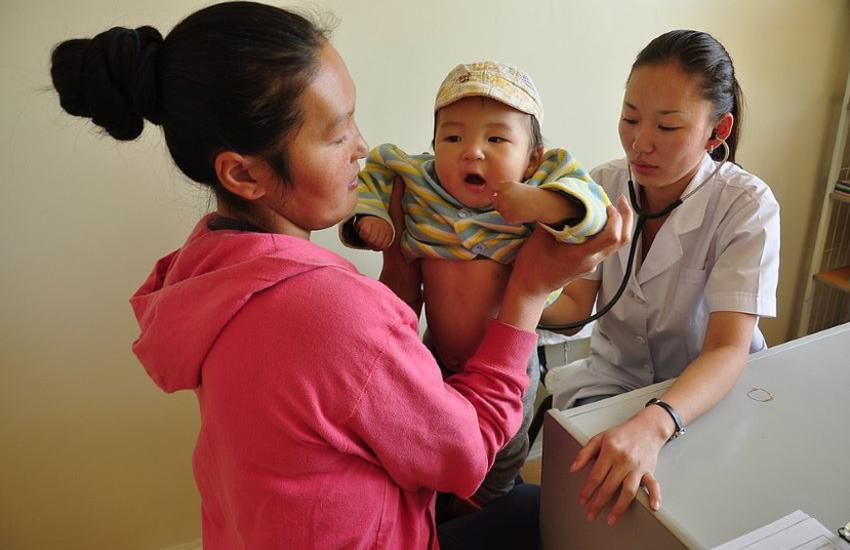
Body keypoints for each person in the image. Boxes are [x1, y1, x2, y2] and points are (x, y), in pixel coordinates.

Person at [49, 3, 632, 549]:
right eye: (337, 132)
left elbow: (355, 383)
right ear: (244, 174)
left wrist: (401, 260)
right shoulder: (330, 311)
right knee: (549, 512)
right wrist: (527, 292)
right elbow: (466, 454)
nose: (363, 147)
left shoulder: (209, 271)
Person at [339, 60, 610, 506]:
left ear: (533, 158)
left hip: (509, 363)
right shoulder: (420, 180)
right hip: (434, 356)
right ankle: (442, 503)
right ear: (432, 147)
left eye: (496, 138)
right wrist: (371, 216)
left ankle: (496, 500)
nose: (473, 151)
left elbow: (593, 209)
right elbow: (377, 171)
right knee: (425, 438)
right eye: (453, 137)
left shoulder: (544, 180)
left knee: (502, 451)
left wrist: (545, 203)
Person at [542, 29, 780, 527]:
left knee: (698, 516)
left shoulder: (745, 205)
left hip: (707, 395)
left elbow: (726, 349)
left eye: (667, 127)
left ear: (718, 131)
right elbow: (576, 308)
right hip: (614, 384)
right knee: (598, 508)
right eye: (630, 118)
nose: (639, 142)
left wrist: (655, 423)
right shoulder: (600, 187)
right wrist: (517, 297)